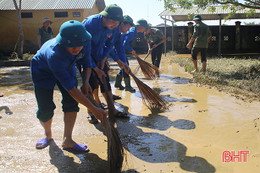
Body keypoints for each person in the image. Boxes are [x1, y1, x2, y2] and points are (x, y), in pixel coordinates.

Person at [31, 20, 107, 152]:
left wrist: (86, 82)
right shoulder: (54, 53)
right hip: (42, 71)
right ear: (63, 42)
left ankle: (68, 140)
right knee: (45, 108)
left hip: (68, 66)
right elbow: (71, 89)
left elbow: (87, 62)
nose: (77, 49)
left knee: (71, 103)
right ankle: (47, 135)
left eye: (79, 45)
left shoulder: (85, 41)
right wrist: (94, 109)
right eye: (71, 45)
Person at [82, 4, 128, 124]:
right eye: (112, 21)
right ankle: (91, 112)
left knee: (104, 80)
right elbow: (85, 50)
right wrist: (94, 67)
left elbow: (109, 44)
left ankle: (112, 109)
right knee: (90, 84)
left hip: (98, 54)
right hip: (84, 55)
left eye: (117, 22)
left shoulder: (113, 28)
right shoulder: (90, 24)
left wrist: (102, 59)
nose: (114, 24)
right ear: (104, 17)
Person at [116, 19, 149, 92]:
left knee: (124, 66)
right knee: (125, 66)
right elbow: (125, 44)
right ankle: (128, 86)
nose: (145, 29)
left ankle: (117, 83)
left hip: (120, 49)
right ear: (140, 27)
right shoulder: (132, 32)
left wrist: (131, 50)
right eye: (144, 27)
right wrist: (131, 50)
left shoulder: (134, 31)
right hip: (119, 49)